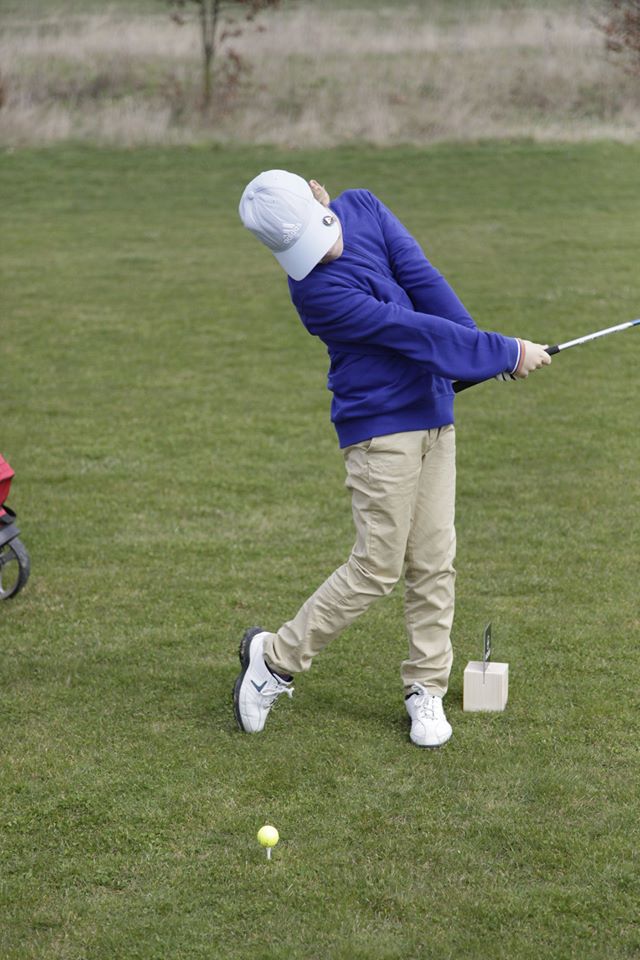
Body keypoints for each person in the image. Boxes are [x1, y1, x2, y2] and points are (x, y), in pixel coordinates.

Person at [233, 169, 550, 748]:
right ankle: (274, 661)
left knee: (435, 560)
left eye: (321, 235)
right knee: (376, 567)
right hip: (380, 431)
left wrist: (478, 352)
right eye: (305, 251)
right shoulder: (316, 294)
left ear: (319, 194)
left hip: (434, 416)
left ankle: (426, 688)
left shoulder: (365, 208)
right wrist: (502, 352)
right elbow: (404, 328)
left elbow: (422, 281)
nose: (322, 254)